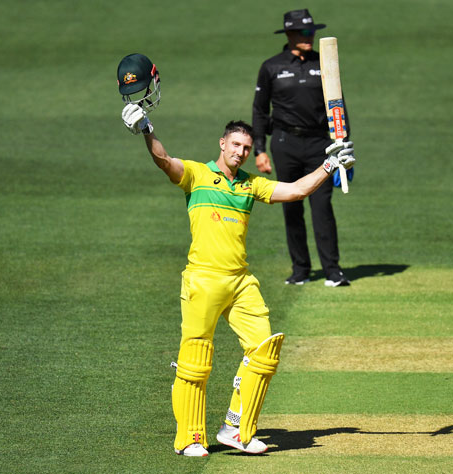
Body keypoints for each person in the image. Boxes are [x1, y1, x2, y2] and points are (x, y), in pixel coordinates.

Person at [121, 104, 354, 456]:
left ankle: (235, 428)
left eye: (246, 148)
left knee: (264, 351)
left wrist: (328, 165)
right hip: (203, 279)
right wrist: (146, 129)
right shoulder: (197, 175)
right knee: (195, 361)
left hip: (240, 281)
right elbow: (164, 161)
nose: (242, 152)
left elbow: (294, 191)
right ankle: (190, 438)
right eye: (236, 145)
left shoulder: (250, 185)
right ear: (222, 143)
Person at [252, 8, 353, 287]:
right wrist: (259, 149)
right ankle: (300, 270)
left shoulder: (324, 65)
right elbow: (260, 111)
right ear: (289, 34)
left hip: (321, 145)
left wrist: (344, 147)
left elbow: (338, 107)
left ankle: (333, 270)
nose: (310, 37)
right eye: (304, 32)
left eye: (312, 32)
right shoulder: (271, 67)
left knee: (322, 207)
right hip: (285, 143)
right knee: (291, 207)